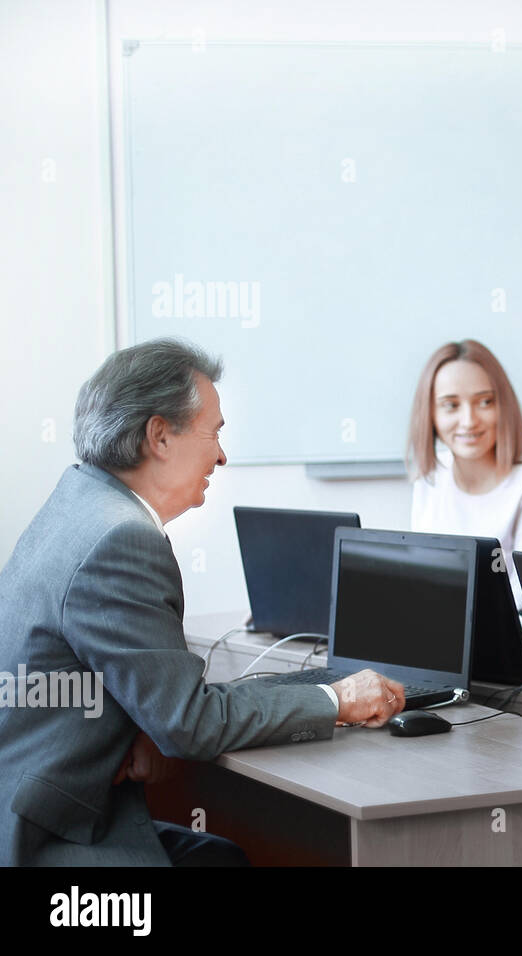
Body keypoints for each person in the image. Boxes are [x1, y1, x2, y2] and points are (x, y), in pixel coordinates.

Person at [0, 339, 405, 866]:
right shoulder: (120, 540)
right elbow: (190, 723)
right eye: (213, 431)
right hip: (44, 837)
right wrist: (338, 700)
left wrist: (143, 724)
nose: (221, 454)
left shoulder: (79, 499)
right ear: (160, 435)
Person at [408, 340, 522, 611]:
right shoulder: (429, 479)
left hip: (504, 646)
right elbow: (420, 583)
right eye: (451, 405)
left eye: (484, 402)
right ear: (430, 414)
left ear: (503, 406)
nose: (469, 420)